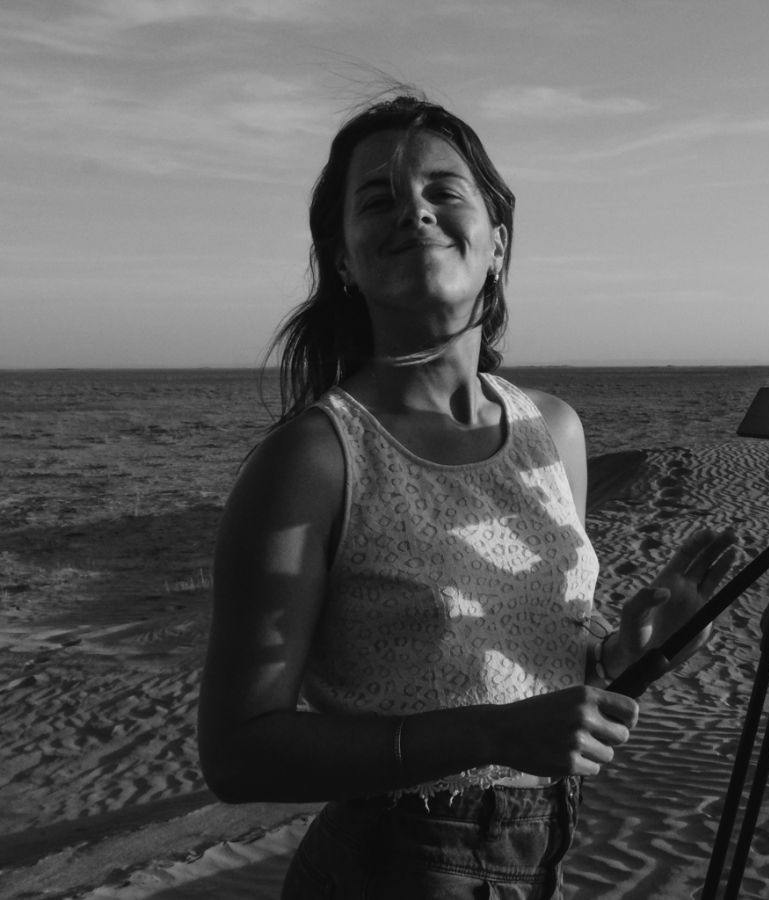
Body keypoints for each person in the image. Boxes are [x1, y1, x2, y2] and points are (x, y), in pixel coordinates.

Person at [197, 88, 737, 898]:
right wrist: (489, 734)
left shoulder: (552, 429)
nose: (414, 211)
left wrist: (627, 656)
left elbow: (541, 679)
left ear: (498, 241)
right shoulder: (315, 458)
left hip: (541, 850)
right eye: (376, 200)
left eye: (443, 191)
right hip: (392, 867)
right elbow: (238, 753)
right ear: (343, 259)